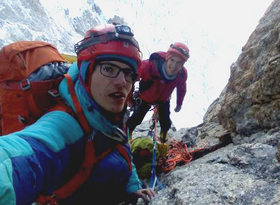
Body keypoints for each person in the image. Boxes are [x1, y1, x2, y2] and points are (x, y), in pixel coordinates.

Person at [0, 24, 155, 205]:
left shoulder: (110, 113)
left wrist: (133, 188)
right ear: (86, 72)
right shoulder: (64, 125)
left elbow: (122, 147)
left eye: (128, 73)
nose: (122, 82)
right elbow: (16, 159)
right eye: (109, 69)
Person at [127, 42, 189, 143]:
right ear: (167, 58)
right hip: (145, 98)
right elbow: (131, 79)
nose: (174, 66)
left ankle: (163, 136)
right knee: (136, 119)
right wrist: (129, 99)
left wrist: (179, 105)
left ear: (182, 65)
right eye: (172, 60)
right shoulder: (149, 66)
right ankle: (126, 135)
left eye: (178, 63)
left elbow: (181, 89)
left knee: (165, 122)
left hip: (163, 99)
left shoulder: (181, 74)